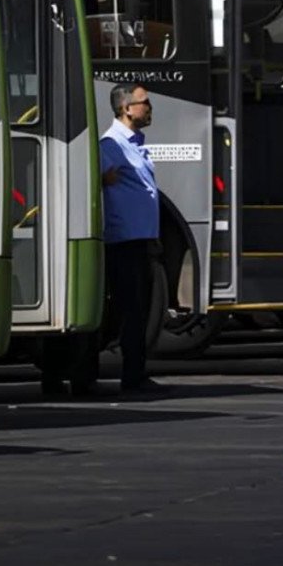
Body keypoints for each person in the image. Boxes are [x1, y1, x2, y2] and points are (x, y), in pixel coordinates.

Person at [100, 81, 163, 395]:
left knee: (140, 309)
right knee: (131, 311)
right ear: (126, 109)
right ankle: (132, 375)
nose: (149, 107)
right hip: (125, 242)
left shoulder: (135, 143)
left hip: (141, 239)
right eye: (144, 103)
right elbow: (95, 175)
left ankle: (137, 371)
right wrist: (102, 177)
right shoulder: (111, 144)